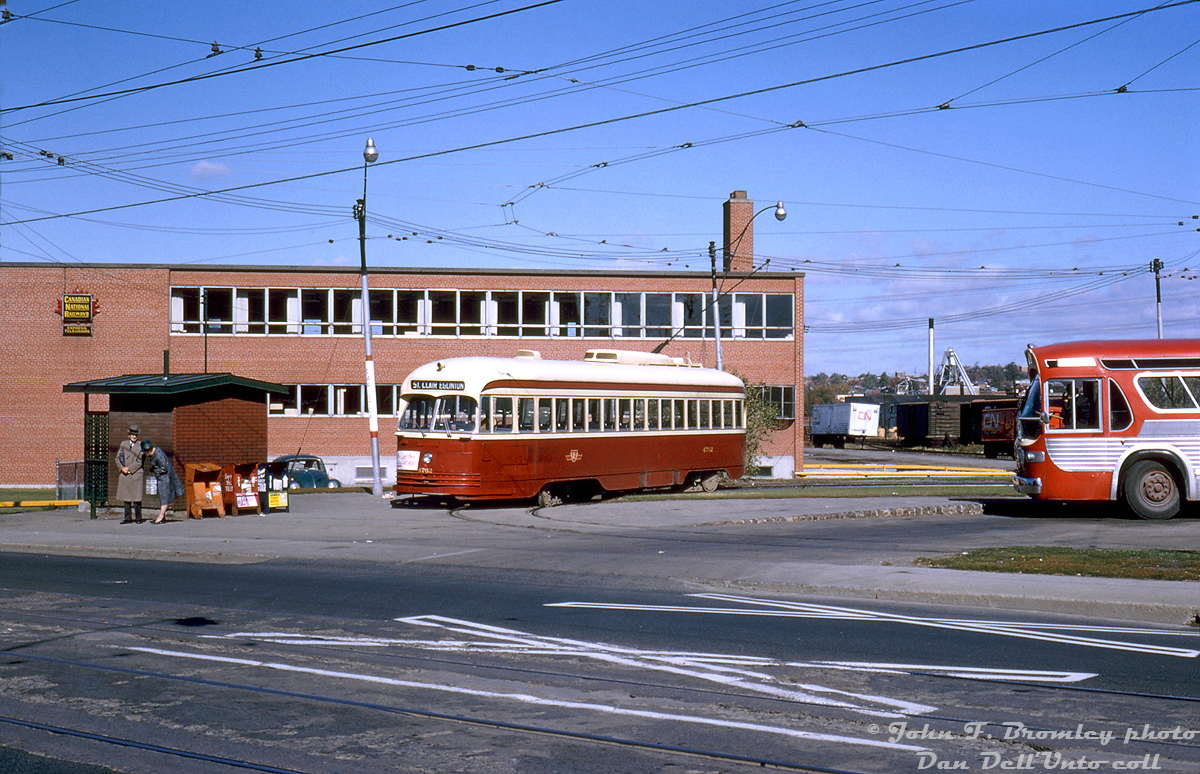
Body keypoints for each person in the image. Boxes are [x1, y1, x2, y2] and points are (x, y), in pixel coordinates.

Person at [141, 440, 184, 524]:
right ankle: (163, 516)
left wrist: (155, 470)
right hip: (162, 477)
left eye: (145, 452)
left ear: (148, 450)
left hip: (164, 478)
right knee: (162, 496)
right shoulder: (155, 453)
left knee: (164, 496)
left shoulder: (158, 454)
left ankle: (160, 516)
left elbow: (164, 468)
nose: (146, 454)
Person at [115, 425, 144, 523]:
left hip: (136, 473)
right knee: (126, 497)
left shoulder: (141, 445)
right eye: (132, 434)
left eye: (136, 435)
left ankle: (138, 518)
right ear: (129, 435)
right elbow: (117, 458)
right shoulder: (123, 444)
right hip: (125, 473)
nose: (134, 437)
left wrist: (129, 468)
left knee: (137, 497)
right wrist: (122, 468)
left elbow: (140, 461)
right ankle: (127, 518)